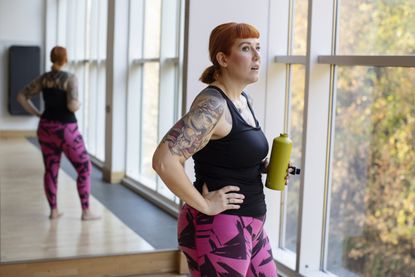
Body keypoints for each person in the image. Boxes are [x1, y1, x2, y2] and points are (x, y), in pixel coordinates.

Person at [153, 23, 289, 276]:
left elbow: (227, 153)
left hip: (251, 224)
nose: (258, 56)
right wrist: (205, 205)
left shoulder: (243, 100)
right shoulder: (212, 106)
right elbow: (164, 161)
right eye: (246, 49)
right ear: (223, 58)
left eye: (258, 48)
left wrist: (263, 167)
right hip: (220, 228)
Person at [17, 46, 100, 221]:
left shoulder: (43, 79)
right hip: (66, 130)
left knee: (51, 169)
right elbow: (72, 105)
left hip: (46, 128)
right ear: (65, 59)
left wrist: (37, 113)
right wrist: (78, 104)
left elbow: (21, 96)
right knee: (84, 168)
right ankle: (86, 211)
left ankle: (53, 211)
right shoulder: (70, 78)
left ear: (51, 58)